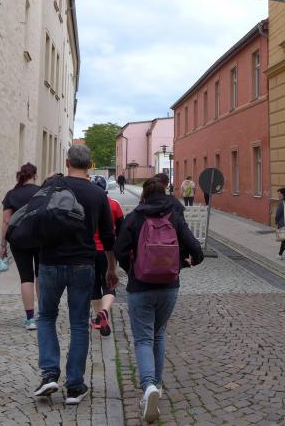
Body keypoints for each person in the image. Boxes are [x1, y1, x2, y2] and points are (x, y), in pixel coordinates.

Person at [114, 177, 204, 423]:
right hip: (169, 287)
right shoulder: (175, 217)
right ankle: (157, 384)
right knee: (159, 334)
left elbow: (119, 250)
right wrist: (181, 265)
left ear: (143, 195)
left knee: (143, 339)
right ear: (165, 194)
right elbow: (197, 251)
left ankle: (148, 387)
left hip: (140, 287)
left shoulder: (134, 218)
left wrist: (132, 269)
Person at [34, 145, 117, 405]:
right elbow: (108, 237)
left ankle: (49, 374)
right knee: (79, 323)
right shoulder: (97, 194)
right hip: (83, 263)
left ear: (67, 162)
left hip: (49, 261)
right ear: (90, 165)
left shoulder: (52, 187)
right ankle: (74, 385)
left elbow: (36, 217)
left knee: (46, 317)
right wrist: (111, 268)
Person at [0, 163, 41, 330]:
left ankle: (30, 319)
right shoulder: (41, 192)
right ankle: (43, 314)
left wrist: (3, 245)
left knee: (26, 277)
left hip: (18, 240)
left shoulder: (11, 194)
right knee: (41, 275)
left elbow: (6, 222)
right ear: (35, 176)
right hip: (40, 239)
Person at [89, 176, 125, 337]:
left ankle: (99, 319)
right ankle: (104, 311)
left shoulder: (85, 205)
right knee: (109, 284)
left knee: (94, 286)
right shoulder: (114, 205)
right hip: (108, 251)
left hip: (89, 251)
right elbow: (122, 230)